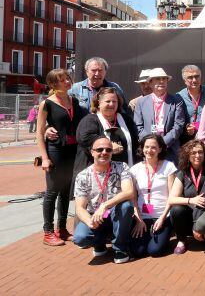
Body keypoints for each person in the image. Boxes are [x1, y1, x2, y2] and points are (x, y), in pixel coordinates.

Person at [36, 69, 87, 246]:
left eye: (67, 78)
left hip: (72, 151)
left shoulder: (73, 100)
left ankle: (62, 229)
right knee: (52, 191)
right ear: (53, 84)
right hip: (55, 150)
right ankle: (48, 232)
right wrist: (45, 158)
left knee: (66, 191)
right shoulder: (47, 104)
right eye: (62, 80)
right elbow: (40, 132)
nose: (67, 82)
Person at [72, 137, 136, 264]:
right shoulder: (83, 176)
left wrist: (105, 206)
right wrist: (90, 223)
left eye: (108, 150)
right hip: (95, 216)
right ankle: (99, 242)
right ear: (92, 152)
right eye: (99, 149)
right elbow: (80, 207)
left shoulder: (121, 167)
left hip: (115, 214)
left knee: (126, 206)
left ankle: (120, 248)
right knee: (80, 238)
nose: (104, 152)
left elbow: (129, 192)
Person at [74, 87, 139, 183]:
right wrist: (109, 145)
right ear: (99, 103)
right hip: (97, 173)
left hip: (123, 171)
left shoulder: (126, 119)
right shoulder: (90, 120)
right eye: (107, 101)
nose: (111, 104)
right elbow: (85, 138)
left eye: (114, 101)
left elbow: (134, 140)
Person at [129, 134, 177, 257]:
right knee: (137, 251)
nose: (149, 150)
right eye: (146, 147)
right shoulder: (134, 170)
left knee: (155, 251)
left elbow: (172, 196)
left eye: (154, 147)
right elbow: (133, 198)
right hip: (142, 217)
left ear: (160, 149)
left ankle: (166, 232)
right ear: (142, 148)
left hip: (162, 216)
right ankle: (150, 233)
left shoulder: (169, 166)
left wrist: (162, 218)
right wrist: (138, 219)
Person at [167, 140, 205, 254]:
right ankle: (182, 240)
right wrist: (192, 200)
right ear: (187, 155)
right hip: (189, 215)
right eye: (193, 153)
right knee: (176, 210)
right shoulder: (183, 173)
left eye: (200, 152)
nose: (197, 155)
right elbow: (172, 199)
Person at [133, 68, 186, 163]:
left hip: (170, 150)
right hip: (149, 151)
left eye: (164, 79)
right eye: (157, 79)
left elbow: (179, 125)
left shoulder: (176, 101)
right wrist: (151, 144)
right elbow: (138, 126)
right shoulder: (141, 102)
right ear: (150, 82)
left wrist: (162, 143)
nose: (161, 81)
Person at [177, 65, 205, 145]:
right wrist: (186, 128)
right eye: (190, 77)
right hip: (187, 141)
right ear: (184, 80)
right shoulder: (179, 97)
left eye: (197, 76)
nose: (194, 80)